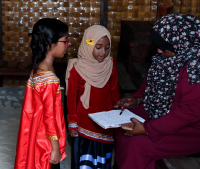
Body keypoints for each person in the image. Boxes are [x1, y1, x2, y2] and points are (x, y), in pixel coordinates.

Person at [114, 14, 200, 169]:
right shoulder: (177, 52)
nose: (158, 50)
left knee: (135, 143)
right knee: (121, 123)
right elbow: (153, 83)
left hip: (196, 128)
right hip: (167, 110)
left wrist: (149, 129)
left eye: (163, 47)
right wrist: (137, 99)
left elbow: (191, 111)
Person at [14, 18, 69, 169]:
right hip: (45, 140)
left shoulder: (38, 68)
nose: (67, 45)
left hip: (35, 132)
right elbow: (50, 117)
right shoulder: (48, 79)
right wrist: (56, 148)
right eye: (65, 41)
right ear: (51, 44)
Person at [65, 25, 120, 169]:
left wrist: (117, 115)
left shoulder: (110, 64)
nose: (103, 52)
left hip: (105, 121)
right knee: (85, 160)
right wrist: (72, 122)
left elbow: (114, 91)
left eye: (107, 47)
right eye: (98, 47)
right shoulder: (77, 67)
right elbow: (71, 98)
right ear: (88, 45)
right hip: (84, 121)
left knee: (103, 158)